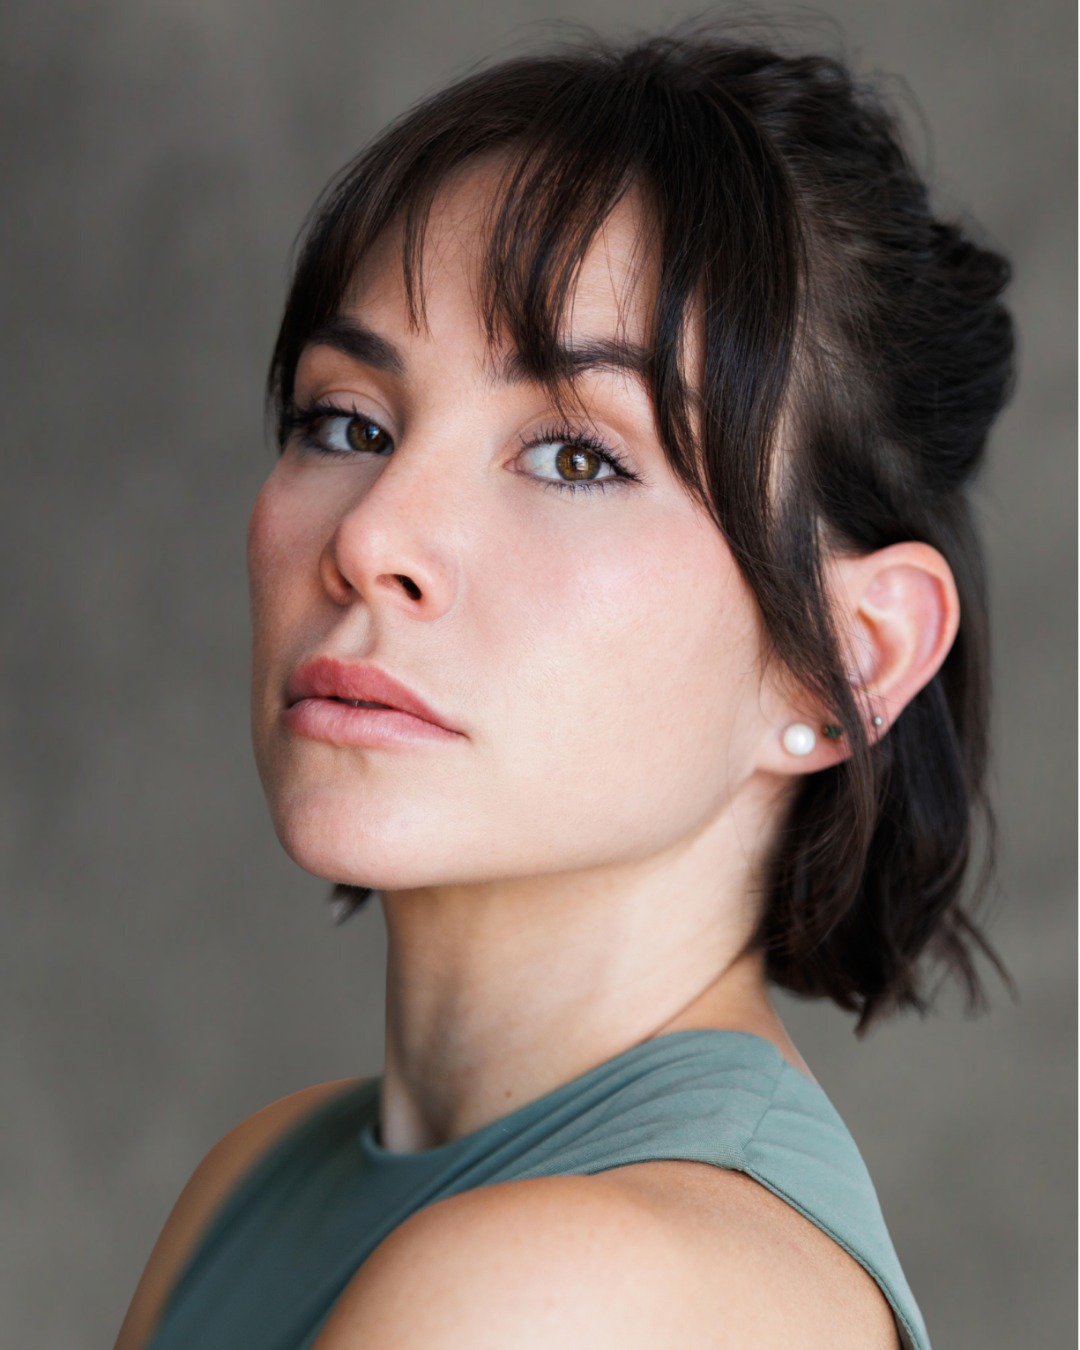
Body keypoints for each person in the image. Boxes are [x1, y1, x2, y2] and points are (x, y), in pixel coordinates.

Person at [114, 25, 1014, 1350]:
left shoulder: (577, 1290)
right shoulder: (254, 1181)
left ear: (849, 661)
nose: (371, 537)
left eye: (578, 459)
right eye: (349, 423)